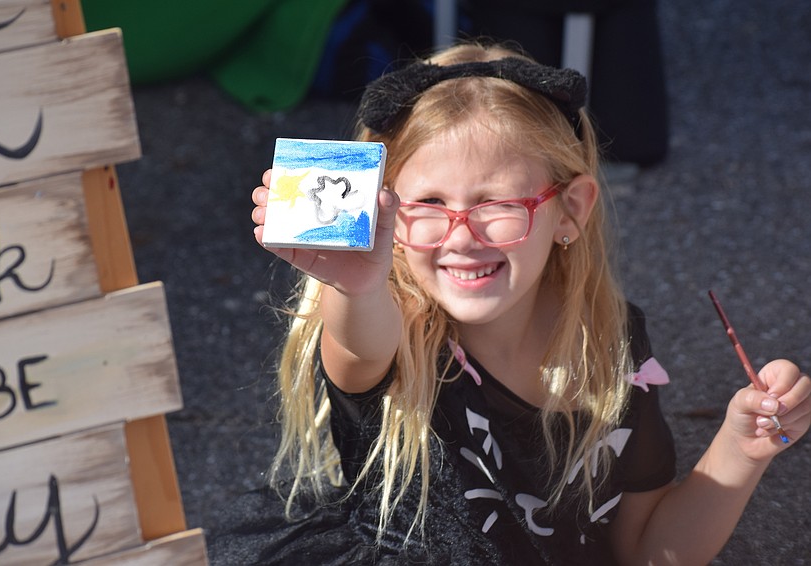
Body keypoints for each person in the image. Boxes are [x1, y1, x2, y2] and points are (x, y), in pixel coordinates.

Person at [247, 41, 811, 565]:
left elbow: (646, 551)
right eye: (429, 203)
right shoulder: (394, 339)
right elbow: (358, 343)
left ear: (571, 210)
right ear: (385, 211)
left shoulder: (609, 344)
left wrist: (741, 450)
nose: (461, 236)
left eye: (498, 203)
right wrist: (357, 286)